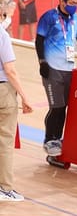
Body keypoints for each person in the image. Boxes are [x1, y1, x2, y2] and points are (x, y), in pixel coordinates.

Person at [35, 0, 77, 157]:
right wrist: (42, 62)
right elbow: (39, 40)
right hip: (52, 68)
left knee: (63, 107)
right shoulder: (48, 17)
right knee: (56, 107)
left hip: (69, 69)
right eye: (72, 2)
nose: (74, 6)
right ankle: (49, 139)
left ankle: (57, 138)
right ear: (62, 1)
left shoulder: (75, 19)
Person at [0, 25, 33, 201]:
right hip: (3, 91)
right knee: (5, 141)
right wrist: (25, 97)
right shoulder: (2, 35)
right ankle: (4, 188)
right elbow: (10, 70)